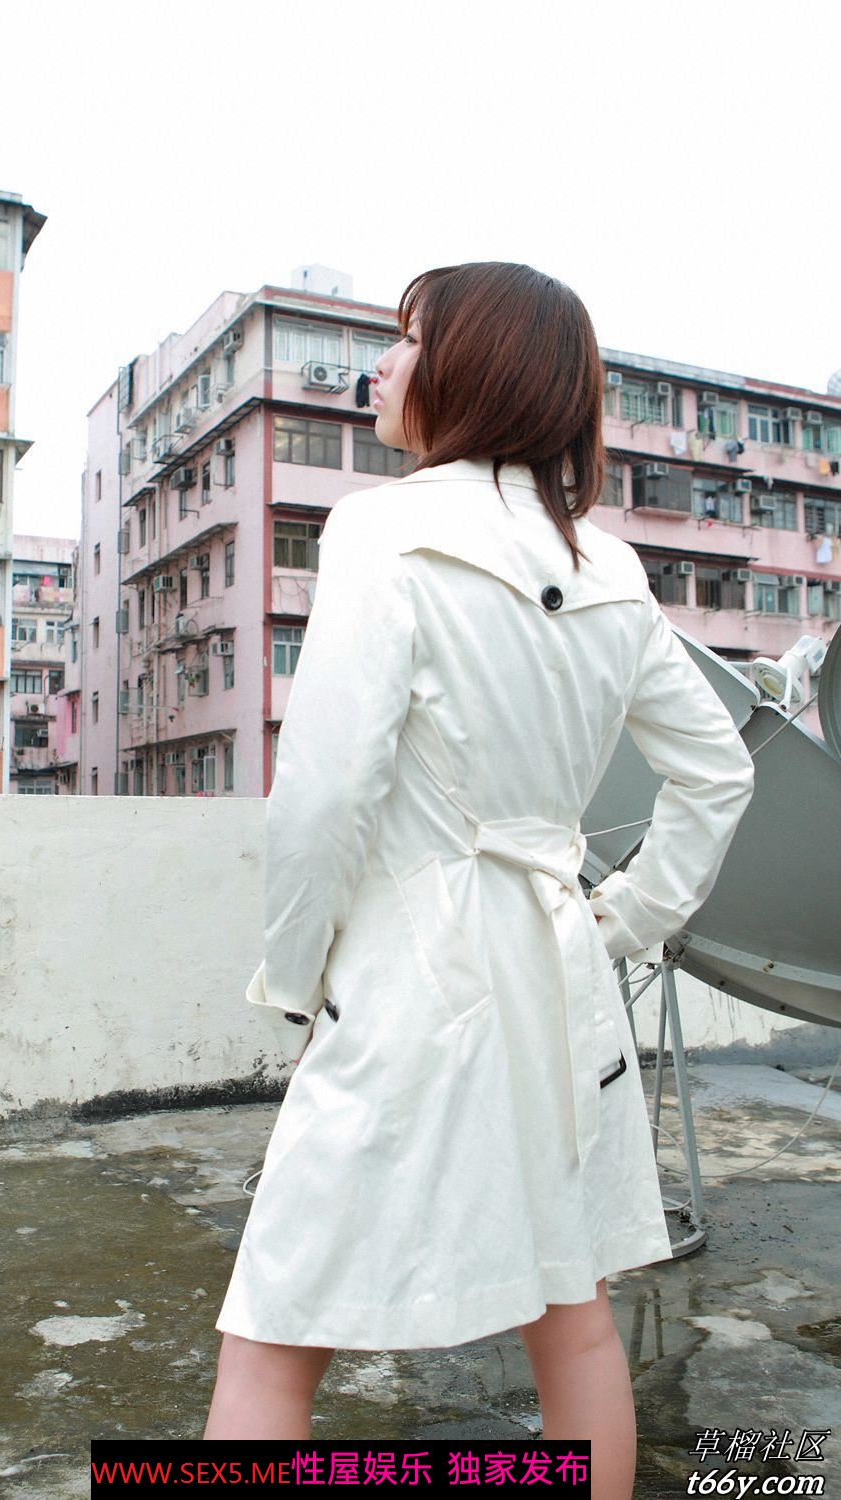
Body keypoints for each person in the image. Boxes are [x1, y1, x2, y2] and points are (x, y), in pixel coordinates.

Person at [204, 262, 755, 1498]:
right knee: (575, 1318)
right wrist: (623, 922)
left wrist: (293, 975)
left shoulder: (382, 530)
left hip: (411, 977)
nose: (379, 367)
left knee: (275, 1326)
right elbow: (718, 772)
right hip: (560, 975)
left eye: (406, 340)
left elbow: (326, 795)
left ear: (476, 367)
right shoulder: (610, 566)